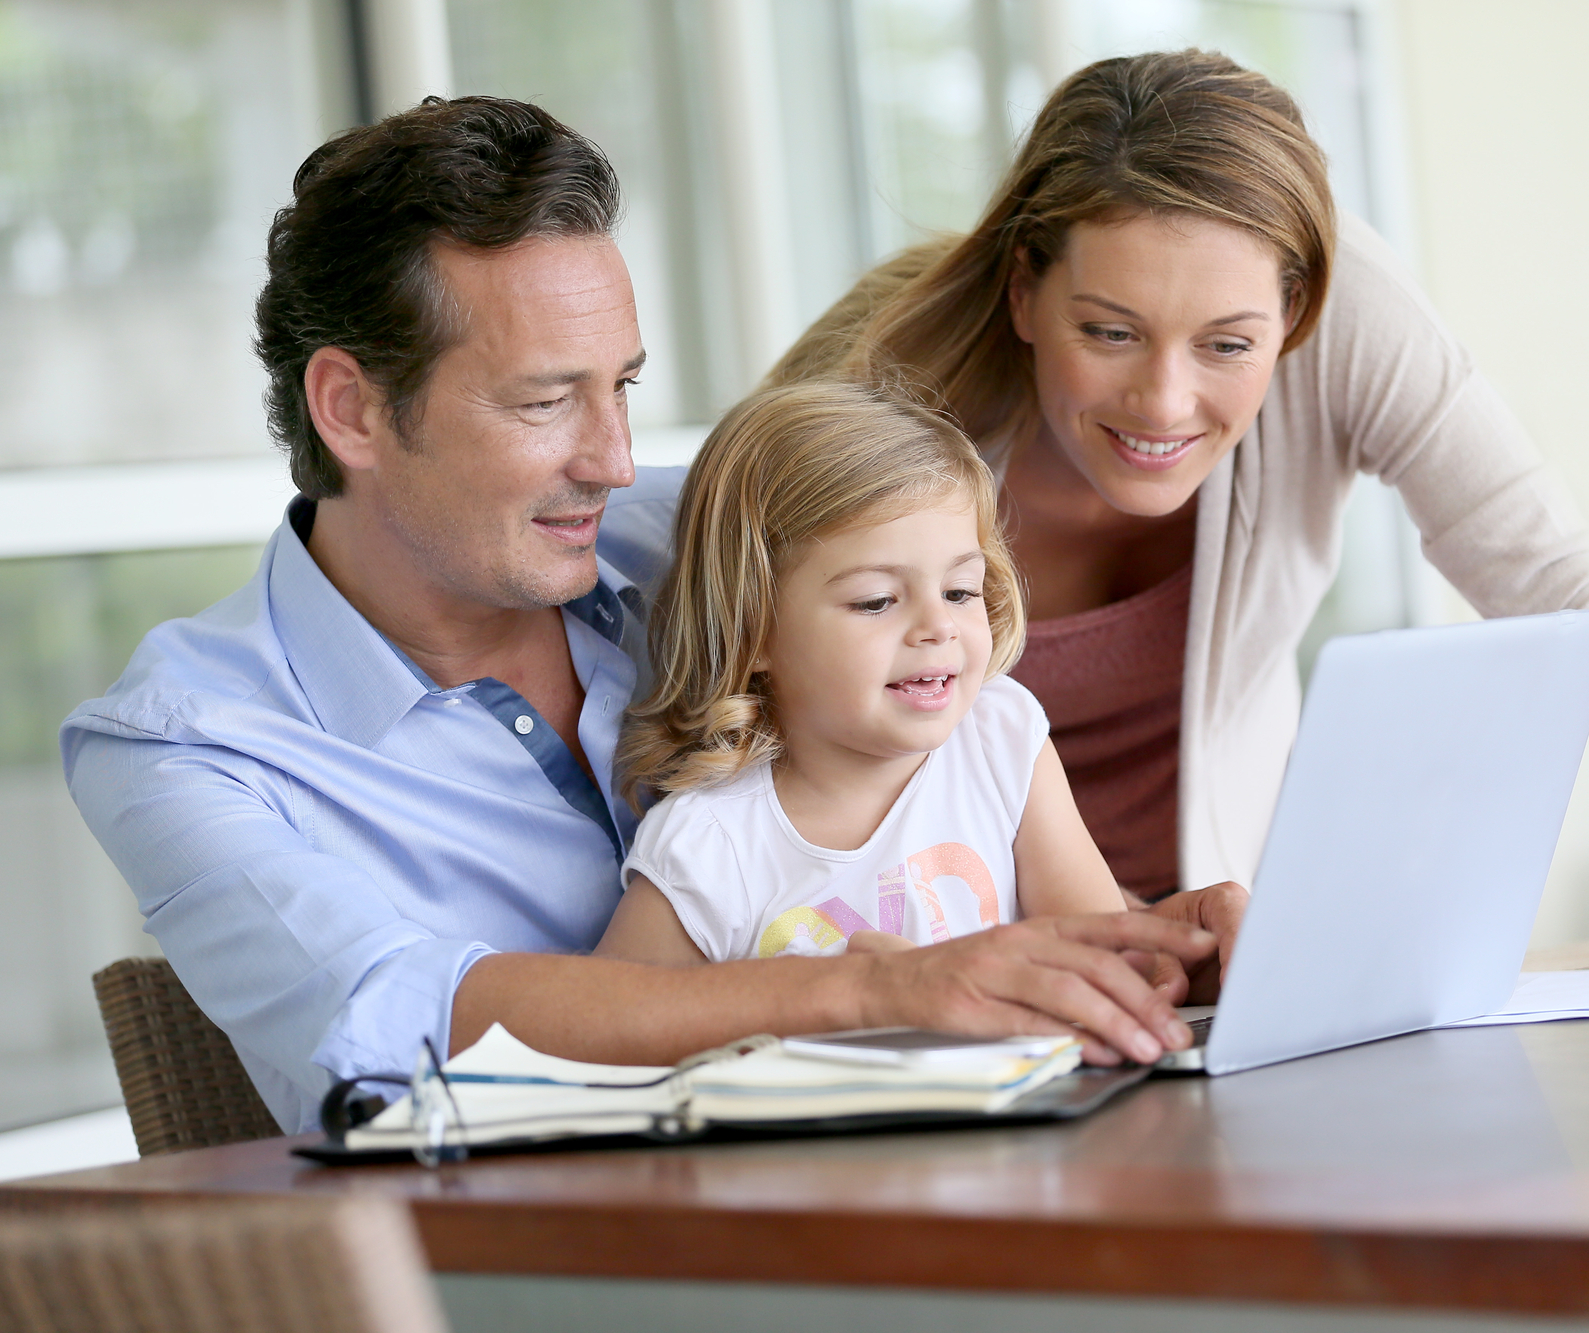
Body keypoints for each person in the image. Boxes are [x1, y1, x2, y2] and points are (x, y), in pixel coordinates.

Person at [60, 97, 1222, 1136]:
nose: (612, 459)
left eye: (619, 385)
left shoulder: (724, 547)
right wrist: (874, 990)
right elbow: (396, 1024)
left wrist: (1161, 942)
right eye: (544, 400)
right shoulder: (184, 740)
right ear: (352, 409)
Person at [770, 50, 1589, 963]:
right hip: (961, 962)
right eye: (1106, 331)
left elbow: (1573, 605)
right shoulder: (877, 409)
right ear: (1024, 290)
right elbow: (755, 741)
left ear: (1297, 314)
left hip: (1227, 957)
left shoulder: (1340, 305)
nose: (1161, 401)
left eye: (1227, 345)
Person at [597, 380, 1128, 966]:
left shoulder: (1001, 736)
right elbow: (612, 1029)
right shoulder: (709, 847)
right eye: (876, 601)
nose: (937, 627)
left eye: (959, 591)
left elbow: (1106, 959)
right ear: (752, 630)